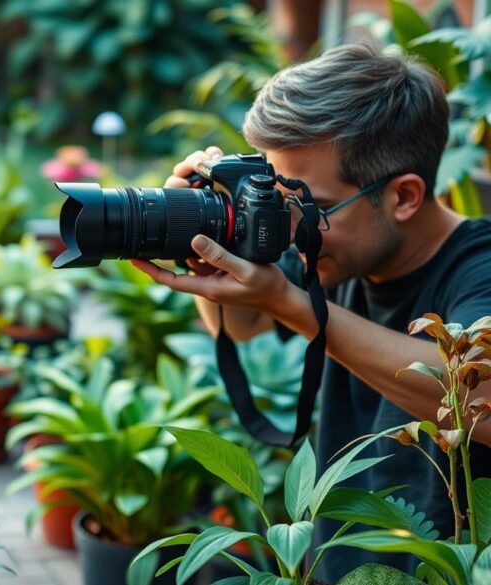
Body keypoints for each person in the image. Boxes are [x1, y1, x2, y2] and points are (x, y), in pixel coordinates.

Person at [134, 42, 491, 581]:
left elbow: (481, 398)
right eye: (279, 199)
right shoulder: (333, 245)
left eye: (311, 205)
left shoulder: (478, 266)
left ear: (403, 196)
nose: (292, 228)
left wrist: (289, 302)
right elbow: (247, 328)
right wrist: (209, 245)